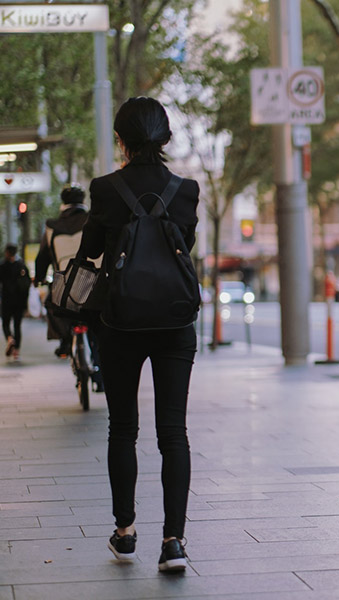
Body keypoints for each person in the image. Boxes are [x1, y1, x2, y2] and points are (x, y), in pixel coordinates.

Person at [78, 97, 199, 572]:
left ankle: (125, 533)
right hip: (174, 321)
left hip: (120, 322)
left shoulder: (105, 189)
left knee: (122, 429)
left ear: (120, 139)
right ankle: (174, 543)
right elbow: (182, 245)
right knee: (174, 432)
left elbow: (91, 250)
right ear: (165, 138)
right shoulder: (185, 190)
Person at [34, 185, 92, 358]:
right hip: (91, 281)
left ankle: (65, 340)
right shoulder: (91, 220)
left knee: (52, 304)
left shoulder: (52, 227)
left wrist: (39, 278)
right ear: (82, 201)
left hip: (63, 283)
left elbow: (42, 257)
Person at [0, 244, 31, 361]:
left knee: (5, 323)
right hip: (19, 301)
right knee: (17, 326)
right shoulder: (21, 266)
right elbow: (27, 284)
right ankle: (16, 351)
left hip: (7, 300)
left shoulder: (2, 266)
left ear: (7, 252)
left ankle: (9, 338)